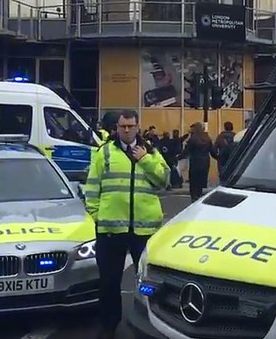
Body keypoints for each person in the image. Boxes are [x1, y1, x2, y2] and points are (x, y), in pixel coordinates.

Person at [84, 110, 169, 339]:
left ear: (138, 126)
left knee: (148, 283)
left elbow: (164, 181)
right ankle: (109, 326)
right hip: (111, 229)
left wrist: (145, 160)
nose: (127, 130)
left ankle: (152, 324)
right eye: (123, 126)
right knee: (109, 282)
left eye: (131, 126)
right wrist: (96, 215)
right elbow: (92, 186)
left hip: (144, 229)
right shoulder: (105, 153)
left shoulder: (150, 151)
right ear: (117, 127)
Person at [179, 123, 216, 201]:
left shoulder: (193, 139)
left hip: (195, 162)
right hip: (205, 162)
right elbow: (212, 151)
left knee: (193, 181)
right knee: (200, 181)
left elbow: (187, 151)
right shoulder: (207, 138)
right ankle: (199, 195)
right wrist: (218, 157)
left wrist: (179, 157)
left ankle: (194, 197)